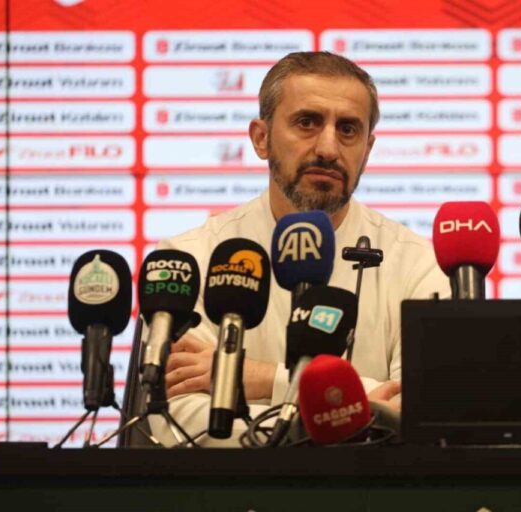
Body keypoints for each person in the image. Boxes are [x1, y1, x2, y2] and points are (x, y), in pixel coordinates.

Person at [148, 51, 449, 446]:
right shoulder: (191, 258)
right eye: (307, 122)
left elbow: (421, 412)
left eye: (348, 129)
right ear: (261, 138)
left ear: (367, 149)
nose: (328, 148)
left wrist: (264, 378)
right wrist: (345, 414)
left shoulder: (419, 264)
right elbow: (177, 419)